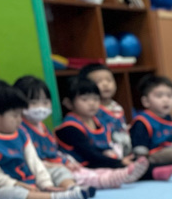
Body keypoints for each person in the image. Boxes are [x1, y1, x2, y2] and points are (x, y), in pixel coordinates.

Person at [0, 80, 94, 199]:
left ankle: (71, 187)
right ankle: (58, 197)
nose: (20, 120)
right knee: (13, 194)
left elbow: (34, 161)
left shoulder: (21, 134)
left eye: (20, 115)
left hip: (27, 181)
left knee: (58, 170)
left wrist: (46, 184)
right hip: (0, 187)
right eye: (15, 115)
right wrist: (17, 184)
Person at [14, 75, 149, 189]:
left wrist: (66, 162)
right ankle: (92, 184)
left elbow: (55, 152)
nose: (40, 108)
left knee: (85, 170)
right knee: (78, 173)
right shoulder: (23, 129)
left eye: (45, 103)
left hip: (66, 164)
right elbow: (31, 159)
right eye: (34, 103)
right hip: (49, 168)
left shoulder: (43, 128)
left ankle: (117, 175)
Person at [56, 76, 172, 182]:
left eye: (96, 99)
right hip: (85, 165)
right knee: (122, 167)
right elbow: (90, 155)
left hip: (105, 159)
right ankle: (154, 172)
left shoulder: (99, 121)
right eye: (85, 100)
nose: (92, 103)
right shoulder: (70, 127)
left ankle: (165, 167)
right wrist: (120, 162)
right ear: (68, 103)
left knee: (134, 160)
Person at [78, 63, 132, 157]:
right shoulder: (92, 110)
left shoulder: (117, 106)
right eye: (99, 81)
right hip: (107, 152)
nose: (105, 84)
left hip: (125, 148)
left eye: (109, 80)